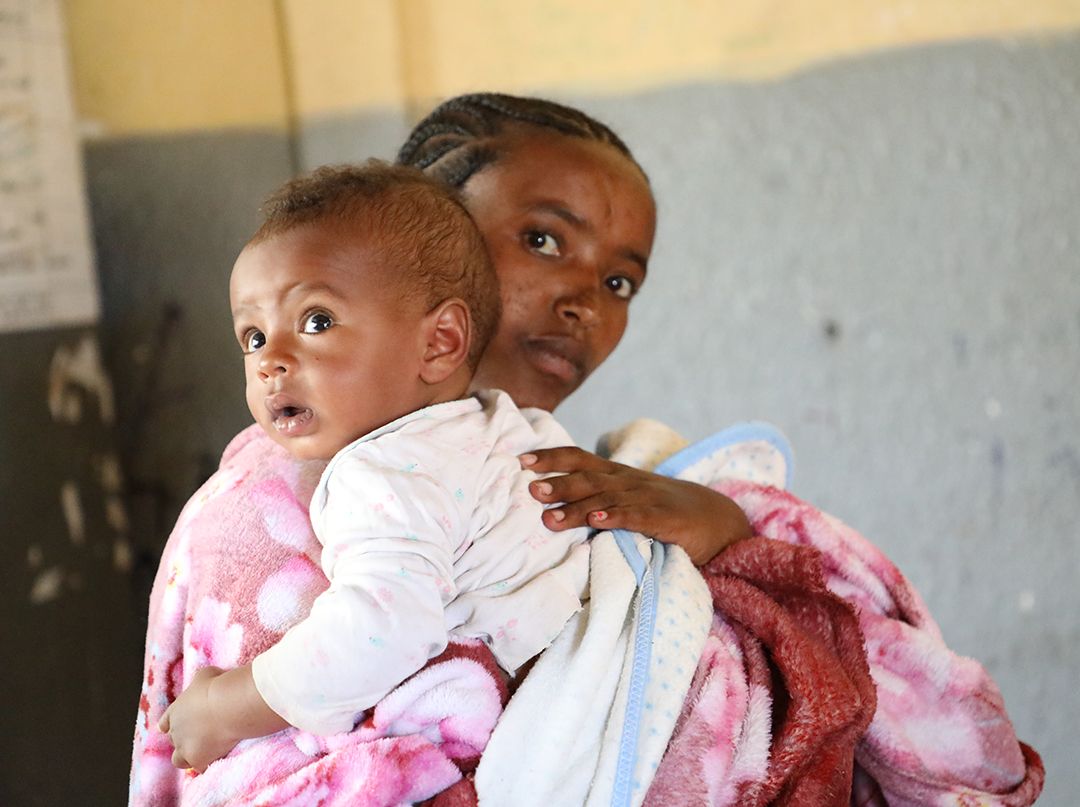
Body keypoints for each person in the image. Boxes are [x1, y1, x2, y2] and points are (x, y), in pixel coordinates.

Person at [132, 93, 1039, 806]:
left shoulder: (563, 462)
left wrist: (722, 529)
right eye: (541, 239)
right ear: (420, 236)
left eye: (618, 279)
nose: (585, 300)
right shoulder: (279, 504)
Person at [158, 161, 591, 773]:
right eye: (253, 336)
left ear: (439, 343)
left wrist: (227, 708)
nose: (270, 361)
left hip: (553, 719)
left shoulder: (380, 474)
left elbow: (380, 630)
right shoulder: (503, 423)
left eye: (316, 321)